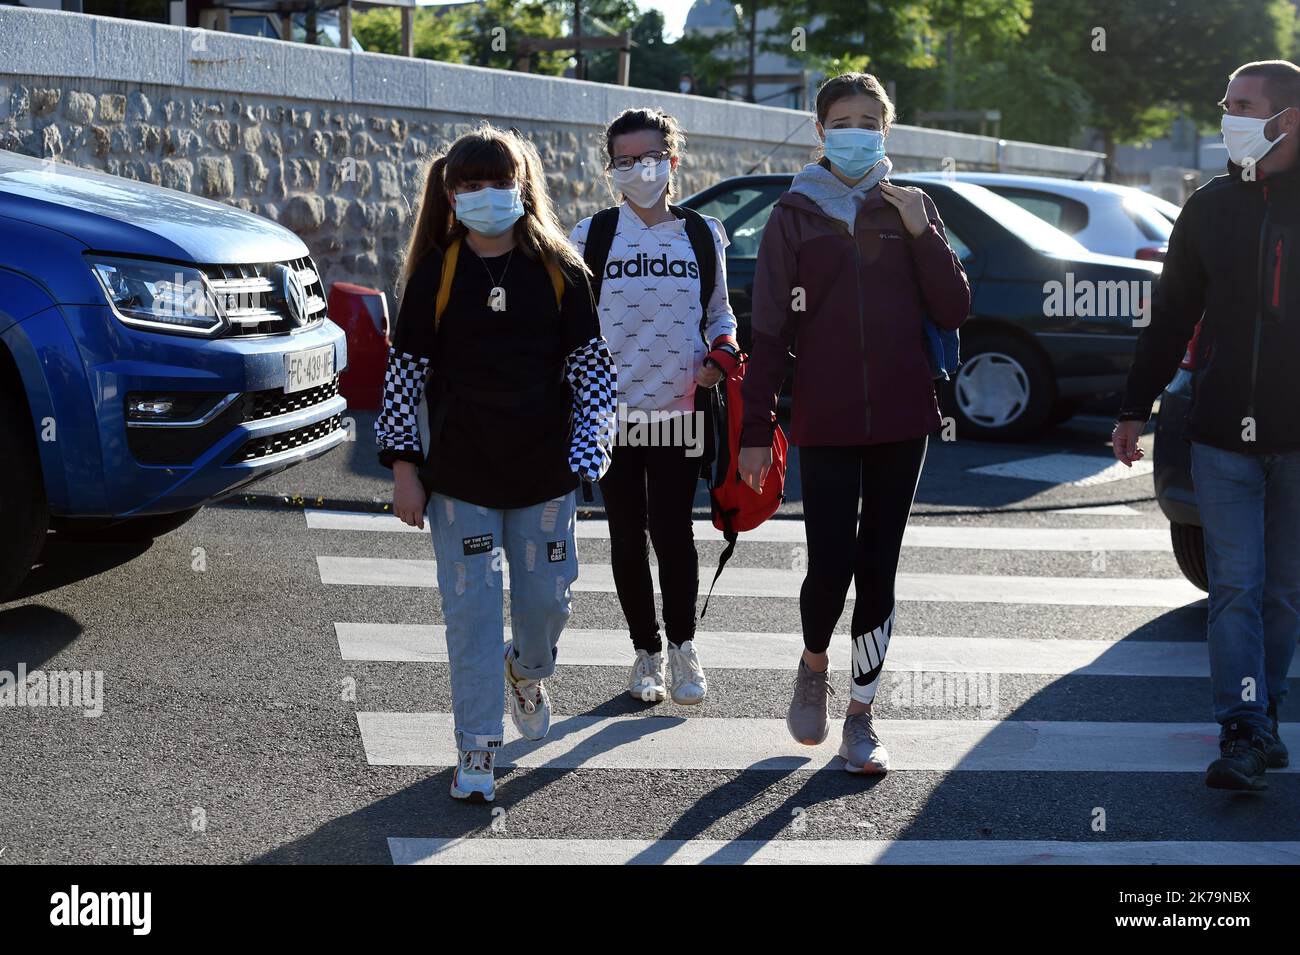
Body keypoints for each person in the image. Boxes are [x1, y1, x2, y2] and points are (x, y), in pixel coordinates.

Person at [375, 124, 617, 803]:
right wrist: (403, 468)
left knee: (545, 601)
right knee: (471, 611)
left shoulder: (560, 269)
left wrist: (592, 443)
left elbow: (592, 370)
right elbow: (404, 376)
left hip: (544, 470)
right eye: (469, 186)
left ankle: (528, 669)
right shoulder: (436, 273)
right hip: (460, 475)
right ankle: (476, 747)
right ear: (451, 196)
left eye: (496, 183)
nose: (484, 196)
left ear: (522, 187)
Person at [738, 73, 970, 774]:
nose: (856, 130)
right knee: (830, 561)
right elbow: (770, 329)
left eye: (869, 119)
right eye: (843, 118)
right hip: (825, 414)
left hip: (903, 414)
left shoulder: (914, 204)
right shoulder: (793, 214)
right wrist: (754, 426)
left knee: (880, 564)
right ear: (820, 130)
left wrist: (919, 233)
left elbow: (955, 306)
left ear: (885, 131)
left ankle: (862, 717)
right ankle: (814, 663)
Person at [1113, 60, 1300, 792]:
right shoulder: (1209, 205)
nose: (1229, 117)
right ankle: (1245, 726)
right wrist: (1134, 408)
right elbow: (1170, 320)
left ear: (1288, 119)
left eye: (1244, 105)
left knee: (1284, 589)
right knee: (1237, 586)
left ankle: (1267, 707)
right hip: (1223, 433)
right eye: (1227, 104)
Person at [569, 108, 739, 705]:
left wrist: (723, 352)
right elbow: (570, 325)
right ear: (611, 167)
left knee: (674, 532)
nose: (640, 168)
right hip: (611, 415)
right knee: (625, 534)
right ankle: (645, 652)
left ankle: (683, 646)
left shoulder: (702, 233)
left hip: (680, 408)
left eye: (651, 156)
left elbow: (720, 312)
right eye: (625, 159)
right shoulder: (590, 235)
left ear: (673, 159)